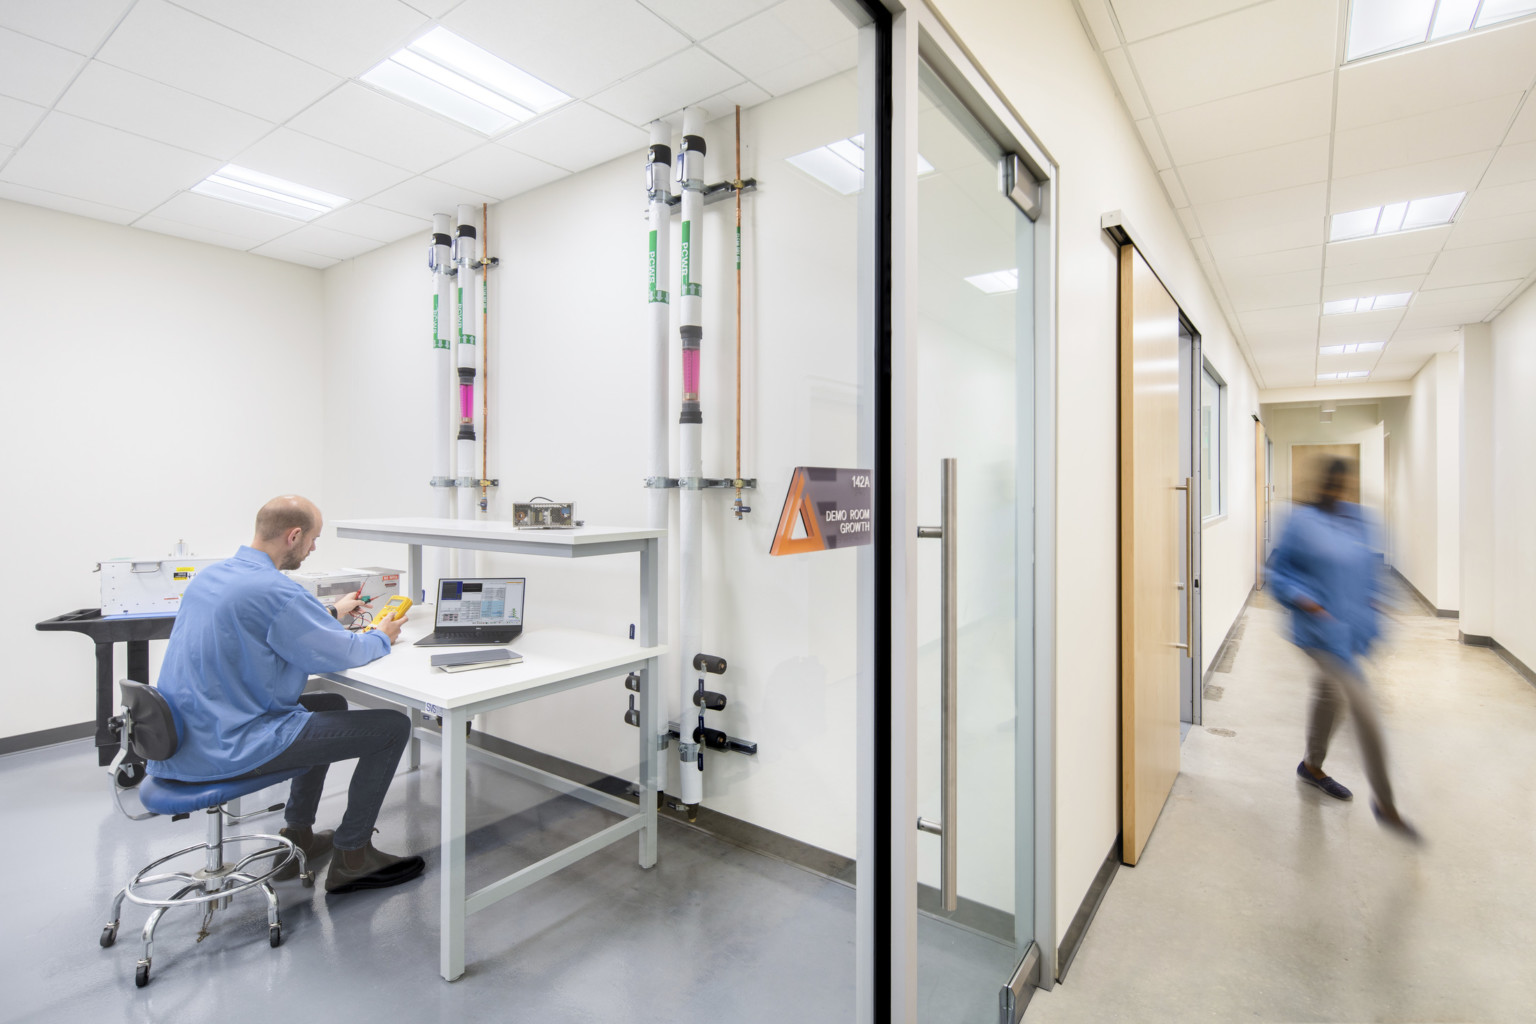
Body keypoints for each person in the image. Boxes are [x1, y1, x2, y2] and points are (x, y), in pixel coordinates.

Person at [147, 495, 427, 892]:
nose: (314, 548)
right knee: (393, 727)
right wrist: (383, 635)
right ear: (294, 536)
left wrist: (331, 614)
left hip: (189, 734)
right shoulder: (276, 590)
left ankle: (298, 835)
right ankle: (354, 855)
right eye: (313, 539)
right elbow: (342, 652)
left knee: (330, 703)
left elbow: (269, 625)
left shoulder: (214, 575)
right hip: (229, 745)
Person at [1267, 457, 1417, 841]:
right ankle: (1386, 805)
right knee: (1361, 707)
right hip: (1319, 633)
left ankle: (1311, 767)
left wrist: (1376, 605)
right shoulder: (1300, 522)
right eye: (1331, 485)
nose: (1337, 492)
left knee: (1328, 695)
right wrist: (1306, 601)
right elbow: (1277, 572)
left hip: (1353, 634)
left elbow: (1372, 571)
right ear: (1321, 484)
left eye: (1342, 485)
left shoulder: (1361, 520)